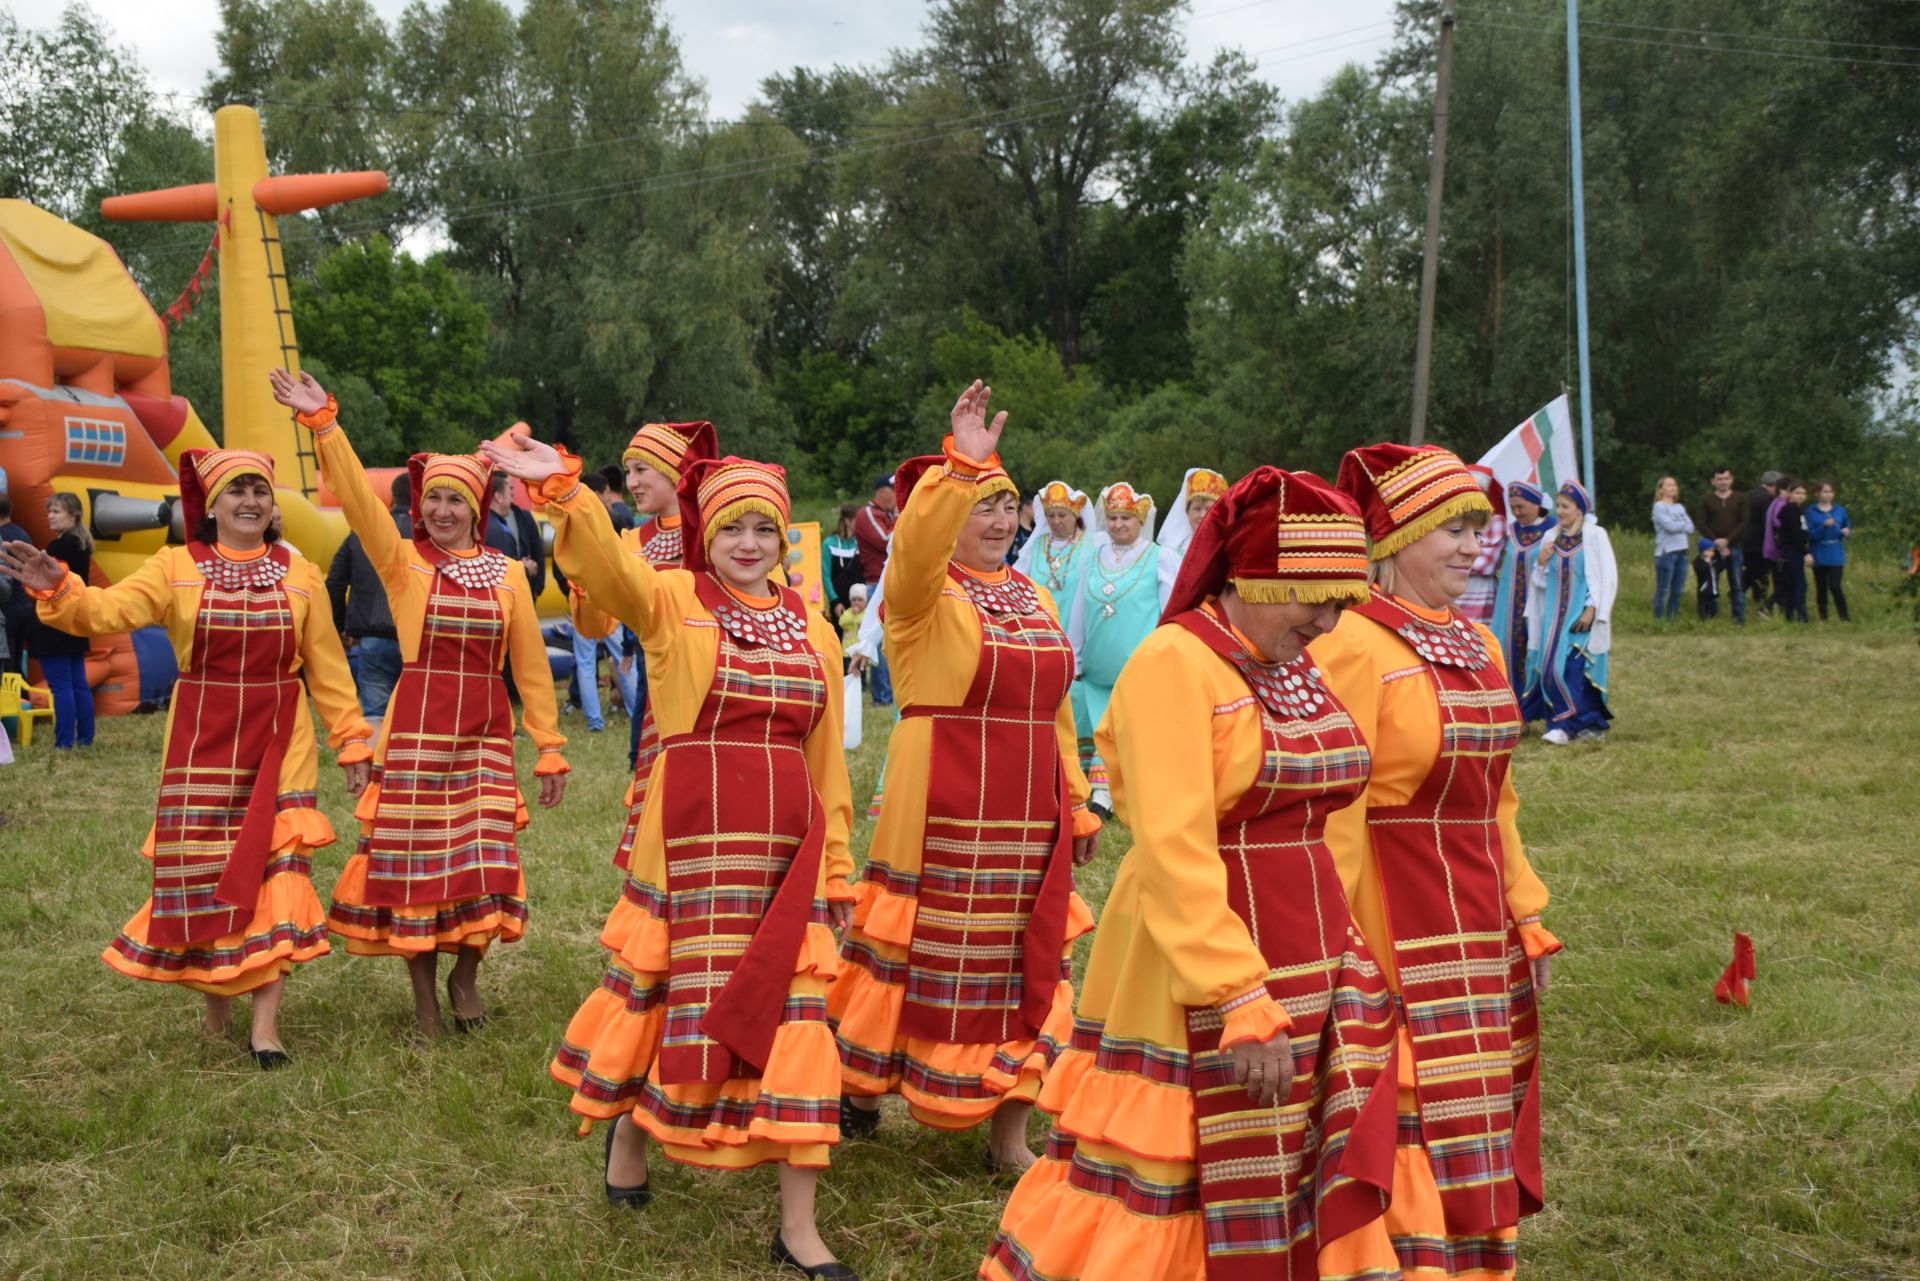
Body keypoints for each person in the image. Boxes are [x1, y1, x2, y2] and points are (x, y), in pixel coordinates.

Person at [980, 465, 1401, 1281]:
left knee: (1285, 1157)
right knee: (1178, 1164)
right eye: (1311, 594)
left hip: (1306, 953)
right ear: (1250, 574)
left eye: (1341, 600)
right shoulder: (1177, 663)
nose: (1327, 619)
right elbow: (1175, 843)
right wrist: (1237, 992)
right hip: (1194, 961)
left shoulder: (1291, 661)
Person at [487, 433, 858, 1281]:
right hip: (692, 843)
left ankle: (797, 1226)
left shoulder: (813, 626)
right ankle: (629, 1129)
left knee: (800, 1015)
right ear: (708, 533)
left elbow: (828, 757)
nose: (751, 542)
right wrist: (568, 493)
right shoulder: (671, 601)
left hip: (787, 850)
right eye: (734, 527)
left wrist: (836, 865)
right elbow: (608, 575)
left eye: (765, 527)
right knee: (666, 1002)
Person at [2, 450, 373, 1067]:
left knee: (277, 870)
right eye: (236, 491)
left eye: (260, 489)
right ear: (213, 506)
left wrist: (351, 738)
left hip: (282, 738)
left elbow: (328, 666)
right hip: (201, 738)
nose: (250, 501)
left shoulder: (300, 571)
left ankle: (266, 1028)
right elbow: (106, 610)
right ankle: (215, 1008)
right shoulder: (175, 566)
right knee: (205, 872)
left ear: (273, 504)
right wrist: (58, 584)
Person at [831, 382, 1102, 1170]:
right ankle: (862, 1078)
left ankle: (1008, 1126)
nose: (994, 518)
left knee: (1027, 951)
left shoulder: (1036, 596)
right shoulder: (920, 595)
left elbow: (1054, 706)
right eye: (979, 504)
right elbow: (912, 554)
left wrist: (1078, 802)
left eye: (1004, 503)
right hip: (941, 800)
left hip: (1027, 807)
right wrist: (956, 469)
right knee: (912, 951)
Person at [1312, 441, 1561, 1281]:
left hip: (1475, 907)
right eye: (1450, 528)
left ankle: (1457, 1253)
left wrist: (1525, 911)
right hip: (1392, 897)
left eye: (1477, 529)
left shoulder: (1483, 644)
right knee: (1403, 1088)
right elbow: (1333, 804)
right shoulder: (1350, 643)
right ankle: (1388, 1256)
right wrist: (1337, 941)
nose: (1470, 545)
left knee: (1470, 1094)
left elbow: (1498, 796)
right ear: (1395, 538)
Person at [270, 369, 569, 1039]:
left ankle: (466, 973)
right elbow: (354, 499)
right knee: (415, 871)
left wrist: (549, 746)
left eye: (454, 500)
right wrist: (325, 426)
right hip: (415, 739)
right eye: (431, 498)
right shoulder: (405, 564)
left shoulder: (510, 578)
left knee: (482, 863)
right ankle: (426, 1002)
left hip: (485, 742)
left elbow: (529, 666)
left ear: (477, 507)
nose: (440, 510)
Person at [1065, 483, 1176, 818]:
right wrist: (1076, 653)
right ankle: (1104, 790)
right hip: (1098, 670)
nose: (1118, 524)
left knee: (1126, 729)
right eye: (1112, 517)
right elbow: (1079, 610)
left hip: (1138, 668)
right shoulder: (1093, 556)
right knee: (1102, 728)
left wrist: (1166, 656)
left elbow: (1170, 611)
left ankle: (1106, 794)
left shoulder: (1161, 558)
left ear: (1140, 519)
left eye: (1126, 517)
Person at [1528, 480, 1618, 745]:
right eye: (1558, 506)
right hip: (1553, 617)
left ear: (1579, 509)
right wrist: (1542, 562)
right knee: (1549, 668)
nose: (1560, 511)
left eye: (1565, 506)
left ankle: (1579, 725)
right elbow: (1541, 584)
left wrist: (1592, 609)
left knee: (1575, 667)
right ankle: (1565, 724)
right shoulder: (1550, 537)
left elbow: (1604, 576)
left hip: (1581, 613)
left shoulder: (1594, 535)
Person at [327, 473, 411, 738]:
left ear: (393, 497)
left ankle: (376, 772)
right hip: (416, 634)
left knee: (375, 713)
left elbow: (335, 582)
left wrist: (340, 627)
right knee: (418, 713)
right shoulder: (429, 531)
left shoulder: (363, 531)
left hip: (372, 633)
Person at [28, 493, 95, 749]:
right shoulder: (81, 544)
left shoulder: (58, 548)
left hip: (54, 623)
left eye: (56, 511)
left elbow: (43, 588)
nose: (50, 516)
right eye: (49, 511)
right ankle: (85, 738)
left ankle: (64, 743)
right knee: (78, 684)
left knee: (61, 686)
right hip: (74, 620)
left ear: (73, 514)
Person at [1491, 480, 1555, 719]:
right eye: (1513, 507)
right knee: (1508, 654)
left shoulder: (1553, 530)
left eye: (1521, 506)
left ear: (1537, 503)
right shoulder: (1511, 531)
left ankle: (1534, 711)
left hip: (1539, 606)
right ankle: (1511, 712)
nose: (1517, 512)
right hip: (1508, 611)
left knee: (1535, 654)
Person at [854, 474, 898, 706]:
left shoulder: (888, 515)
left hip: (891, 580)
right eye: (895, 490)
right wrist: (904, 516)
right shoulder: (867, 513)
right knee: (878, 642)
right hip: (875, 584)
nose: (898, 496)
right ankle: (882, 697)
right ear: (883, 491)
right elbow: (885, 541)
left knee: (889, 642)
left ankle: (889, 693)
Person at [1012, 480, 1094, 598]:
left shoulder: (1088, 545)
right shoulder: (1037, 544)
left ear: (1075, 515)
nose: (1056, 521)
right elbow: (1018, 580)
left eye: (1062, 515)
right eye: (1051, 515)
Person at [1696, 467, 1749, 625]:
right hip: (1712, 548)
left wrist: (1727, 540)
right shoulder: (1706, 500)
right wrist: (1717, 542)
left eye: (1726, 478)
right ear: (1713, 482)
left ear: (1731, 480)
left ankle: (1739, 619)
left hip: (1735, 546)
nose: (1723, 482)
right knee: (1710, 582)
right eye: (1719, 479)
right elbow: (1701, 523)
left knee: (1737, 584)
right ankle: (1709, 615)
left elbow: (1744, 522)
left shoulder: (1741, 498)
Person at [1458, 465, 1508, 624]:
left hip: (1480, 593)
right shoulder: (1453, 520)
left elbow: (1487, 565)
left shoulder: (1496, 522)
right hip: (1454, 590)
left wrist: (1453, 561)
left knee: (1479, 638)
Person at [1152, 466, 1228, 564]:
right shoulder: (1172, 552)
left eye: (1209, 510)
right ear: (1187, 512)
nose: (1202, 515)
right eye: (1197, 509)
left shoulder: (1226, 549)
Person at [1806, 480, 1851, 622]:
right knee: (1821, 587)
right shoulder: (1811, 512)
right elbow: (1810, 535)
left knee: (1835, 586)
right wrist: (1824, 526)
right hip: (1819, 554)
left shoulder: (1840, 510)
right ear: (1817, 494)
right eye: (1824, 491)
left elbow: (1846, 527)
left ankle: (1844, 617)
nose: (1827, 495)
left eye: (1830, 492)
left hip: (1836, 554)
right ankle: (1823, 617)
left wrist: (1846, 531)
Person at [1651, 475, 1695, 621]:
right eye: (1669, 485)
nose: (1672, 488)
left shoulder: (1680, 507)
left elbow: (1691, 527)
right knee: (1663, 589)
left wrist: (1680, 525)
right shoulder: (1659, 507)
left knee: (1677, 590)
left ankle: (1672, 618)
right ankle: (1658, 619)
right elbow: (1669, 527)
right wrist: (1682, 525)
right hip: (1666, 552)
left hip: (1682, 552)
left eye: (1674, 485)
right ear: (1661, 489)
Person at [0, 492, 31, 672]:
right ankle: (22, 698)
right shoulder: (21, 533)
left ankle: (17, 699)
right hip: (23, 604)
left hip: (10, 608)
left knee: (11, 668)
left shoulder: (3, 536)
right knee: (17, 665)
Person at [1745, 469, 1783, 616]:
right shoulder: (1768, 499)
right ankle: (1759, 602)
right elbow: (1767, 521)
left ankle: (1744, 596)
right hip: (1759, 542)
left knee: (1751, 572)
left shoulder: (1747, 495)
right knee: (1760, 574)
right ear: (1774, 485)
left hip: (1743, 541)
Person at [1773, 479, 1810, 624]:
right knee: (1799, 583)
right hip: (1792, 550)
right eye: (1797, 493)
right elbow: (1794, 534)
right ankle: (1800, 615)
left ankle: (1791, 614)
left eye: (1803, 493)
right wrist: (1805, 551)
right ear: (1790, 494)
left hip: (1795, 550)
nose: (1800, 496)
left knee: (1794, 583)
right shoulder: (1789, 510)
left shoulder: (1798, 511)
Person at [822, 503, 863, 622]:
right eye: (858, 520)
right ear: (848, 521)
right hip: (840, 606)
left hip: (861, 605)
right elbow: (825, 576)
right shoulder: (829, 544)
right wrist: (835, 601)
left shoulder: (862, 541)